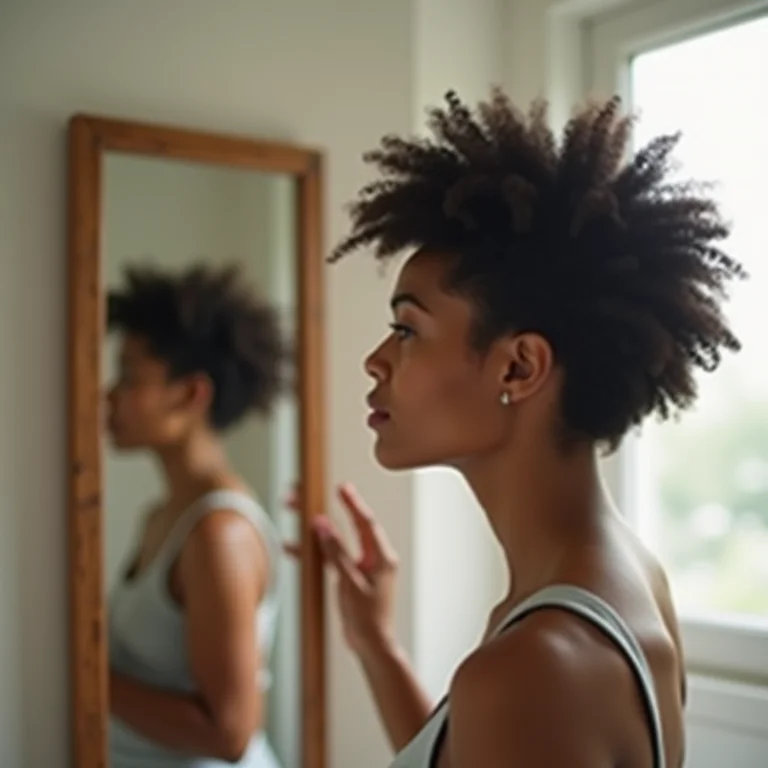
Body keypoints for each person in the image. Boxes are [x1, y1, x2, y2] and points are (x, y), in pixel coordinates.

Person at [294, 90, 745, 767]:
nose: (375, 359)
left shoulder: (538, 664)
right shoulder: (618, 580)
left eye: (406, 329)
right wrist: (376, 644)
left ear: (519, 366)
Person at [106, 263, 288, 768]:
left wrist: (82, 672)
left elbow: (229, 733)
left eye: (128, 376)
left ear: (190, 394)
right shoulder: (163, 515)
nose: (108, 395)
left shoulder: (219, 534)